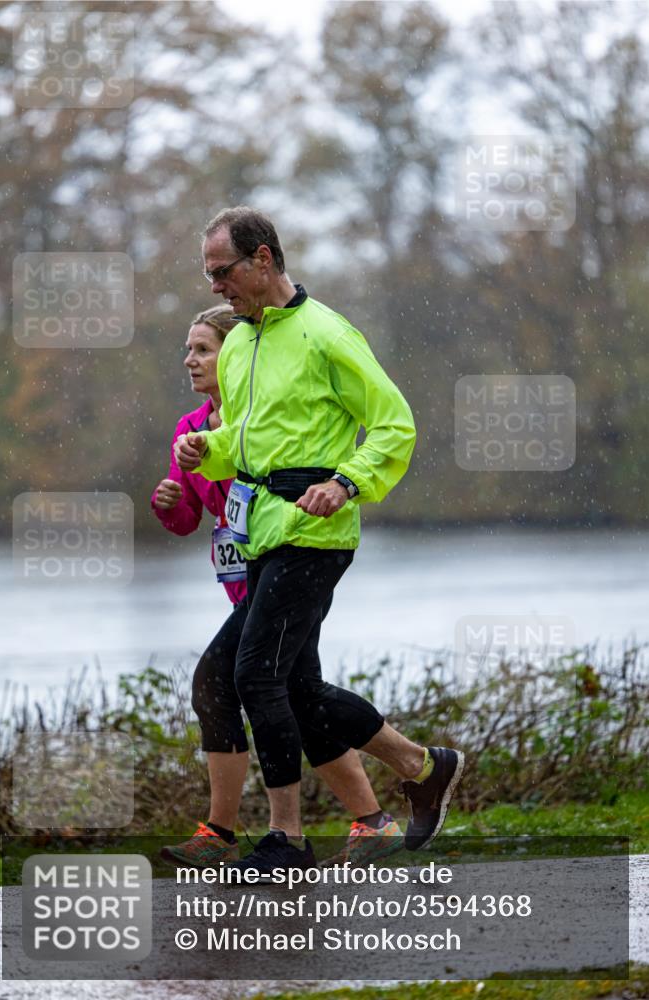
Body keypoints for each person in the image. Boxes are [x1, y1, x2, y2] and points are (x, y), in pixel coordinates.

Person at [175, 207, 464, 879]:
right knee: (296, 687)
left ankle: (287, 837)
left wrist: (346, 481)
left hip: (315, 534)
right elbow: (248, 444)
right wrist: (205, 450)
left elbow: (393, 424)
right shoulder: (240, 346)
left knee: (252, 675)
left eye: (223, 271)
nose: (216, 286)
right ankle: (422, 767)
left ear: (263, 259)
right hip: (262, 534)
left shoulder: (327, 334)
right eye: (209, 274)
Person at [153, 304, 403, 868]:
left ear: (238, 354)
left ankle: (238, 833)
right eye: (189, 349)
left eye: (203, 349)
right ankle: (374, 817)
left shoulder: (270, 414)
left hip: (288, 561)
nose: (190, 360)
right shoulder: (191, 429)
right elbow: (187, 512)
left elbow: (364, 436)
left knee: (226, 681)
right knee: (291, 689)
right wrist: (167, 501)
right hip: (250, 576)